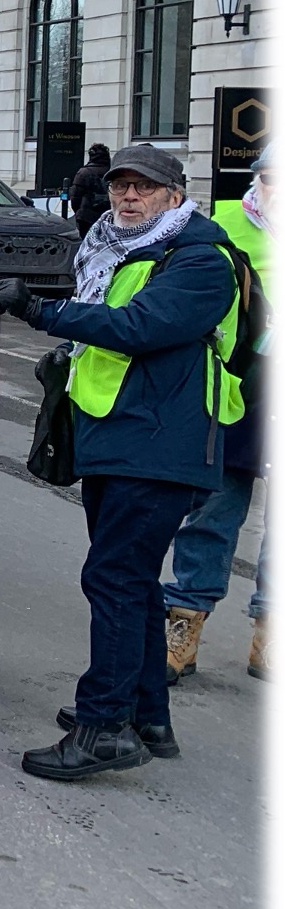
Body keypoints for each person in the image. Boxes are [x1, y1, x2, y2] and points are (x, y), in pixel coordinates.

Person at [0, 143, 246, 780]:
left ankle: (104, 728)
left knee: (115, 578)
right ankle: (146, 714)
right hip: (121, 435)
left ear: (175, 196)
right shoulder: (118, 248)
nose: (128, 196)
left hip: (162, 440)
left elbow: (139, 327)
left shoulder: (200, 258)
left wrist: (40, 310)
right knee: (131, 579)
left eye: (144, 187)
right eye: (121, 185)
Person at [160, 144, 273, 682]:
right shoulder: (223, 222)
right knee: (213, 509)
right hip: (240, 387)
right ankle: (184, 624)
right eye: (270, 177)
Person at [70, 143, 113, 237]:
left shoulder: (83, 173)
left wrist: (79, 211)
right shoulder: (113, 172)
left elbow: (75, 196)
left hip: (87, 215)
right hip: (110, 214)